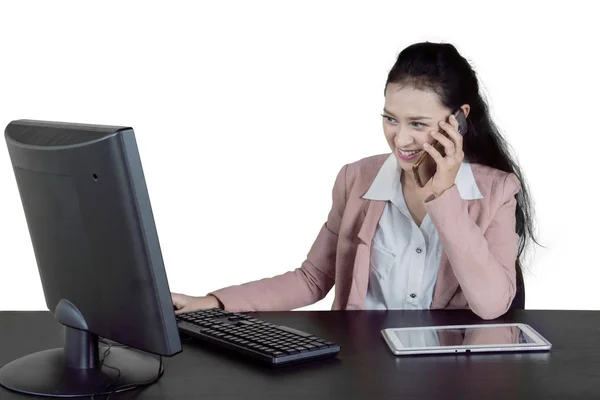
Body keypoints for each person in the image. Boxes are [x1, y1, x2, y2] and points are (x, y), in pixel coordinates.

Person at [172, 41, 538, 320]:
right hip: (362, 369)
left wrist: (443, 194)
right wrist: (215, 302)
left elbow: (491, 306)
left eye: (418, 124)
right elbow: (312, 279)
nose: (400, 139)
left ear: (458, 119)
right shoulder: (357, 179)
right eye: (390, 119)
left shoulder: (497, 192)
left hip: (448, 375)